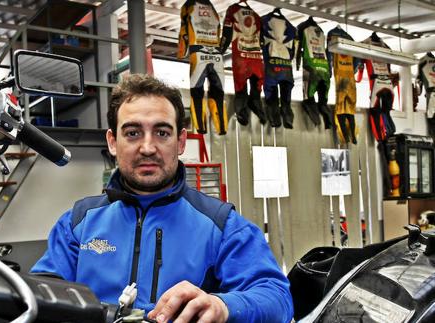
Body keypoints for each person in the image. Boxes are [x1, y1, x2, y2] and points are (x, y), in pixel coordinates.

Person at [31, 74, 293, 322]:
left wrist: (223, 305)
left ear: (180, 142)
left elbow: (277, 299)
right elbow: (39, 294)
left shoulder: (223, 226)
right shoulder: (78, 224)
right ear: (112, 142)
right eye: (132, 133)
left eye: (162, 132)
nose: (148, 148)